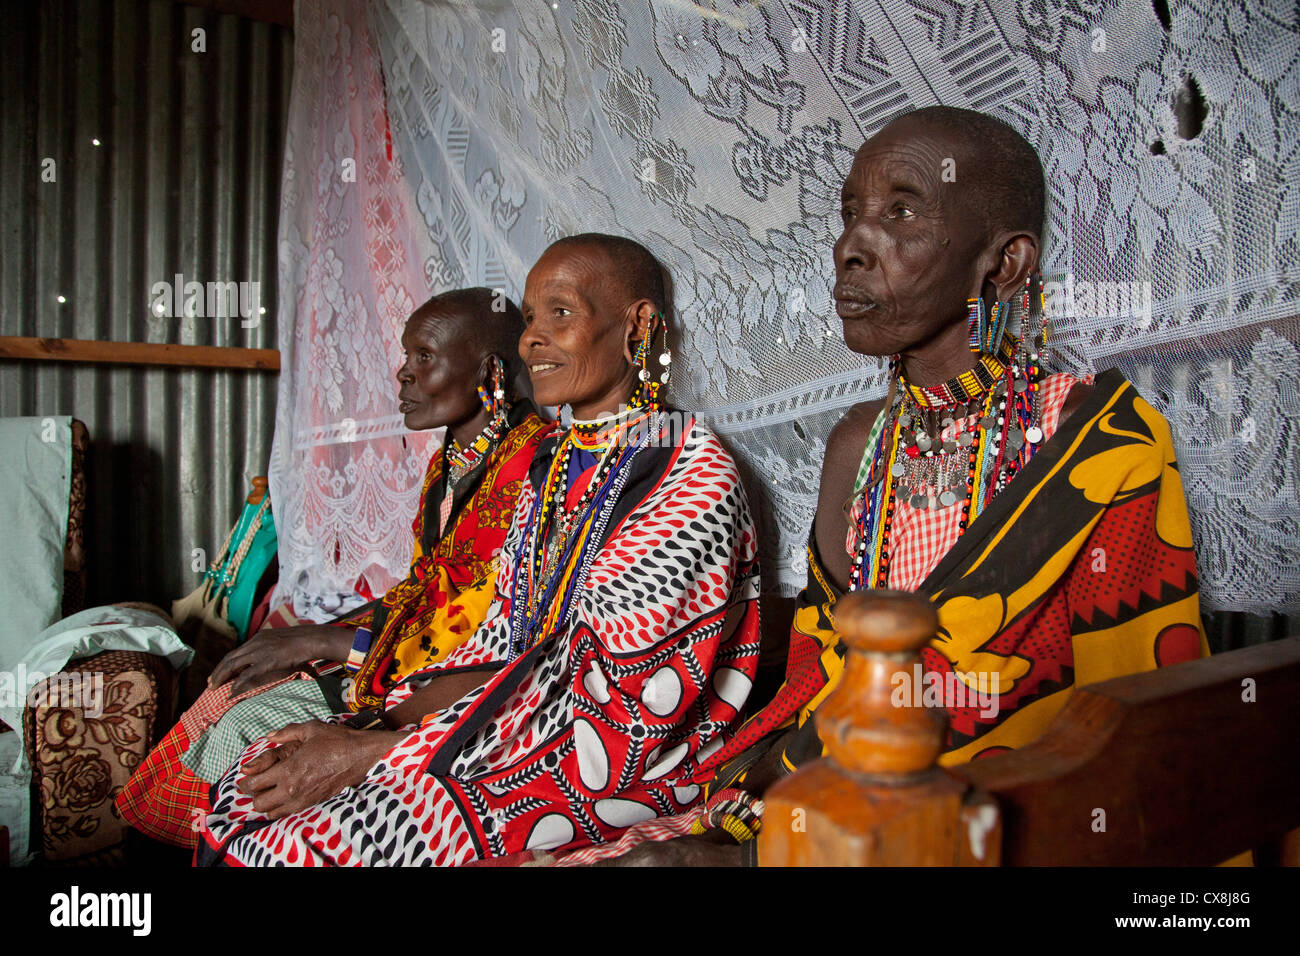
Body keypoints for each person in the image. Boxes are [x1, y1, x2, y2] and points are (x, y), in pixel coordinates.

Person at [576, 105, 1209, 867]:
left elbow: (1136, 707)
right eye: (850, 214)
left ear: (1003, 266)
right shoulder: (858, 442)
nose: (851, 245)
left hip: (997, 812)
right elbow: (825, 663)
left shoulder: (1094, 437)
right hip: (834, 778)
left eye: (901, 212)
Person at [193, 234, 763, 866]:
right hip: (507, 725)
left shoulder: (691, 476)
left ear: (639, 326)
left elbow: (621, 711)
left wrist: (378, 753)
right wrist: (385, 723)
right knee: (245, 791)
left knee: (292, 847)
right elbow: (504, 635)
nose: (531, 338)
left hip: (601, 762)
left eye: (561, 313)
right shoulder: (557, 463)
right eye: (531, 316)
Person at [116, 287, 552, 848]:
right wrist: (311, 639)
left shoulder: (531, 469)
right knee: (228, 691)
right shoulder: (453, 462)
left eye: (424, 356)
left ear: (489, 369)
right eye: (405, 355)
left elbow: (480, 627)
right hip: (403, 657)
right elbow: (423, 589)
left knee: (242, 732)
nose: (403, 375)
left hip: (451, 687)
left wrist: (326, 643)